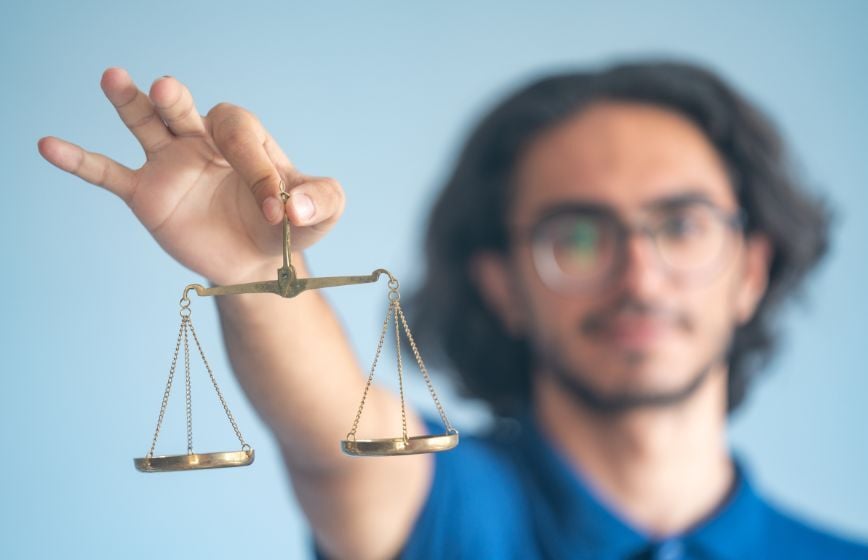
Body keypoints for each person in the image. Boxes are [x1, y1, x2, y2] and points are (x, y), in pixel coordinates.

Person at [38, 60, 867, 559]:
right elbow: (337, 441)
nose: (640, 276)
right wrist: (253, 266)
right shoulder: (450, 511)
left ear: (751, 269)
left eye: (681, 226)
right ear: (502, 283)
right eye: (578, 237)